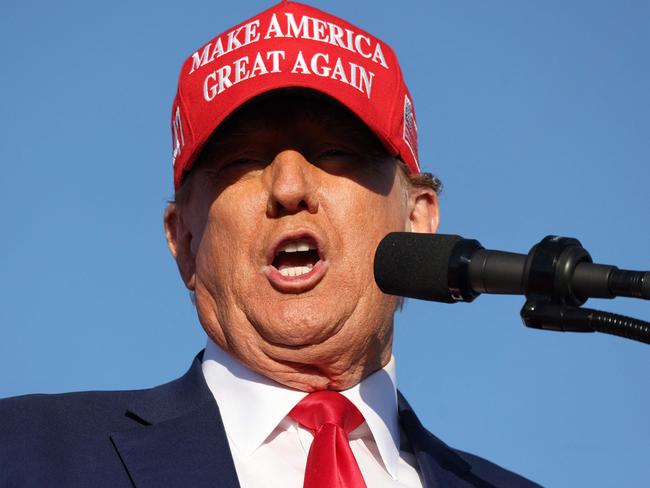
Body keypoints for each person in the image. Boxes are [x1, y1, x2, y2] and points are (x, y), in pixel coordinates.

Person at [1, 2, 539, 486]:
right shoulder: (25, 453)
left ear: (419, 220)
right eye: (242, 161)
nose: (288, 188)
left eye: (334, 153)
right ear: (183, 238)